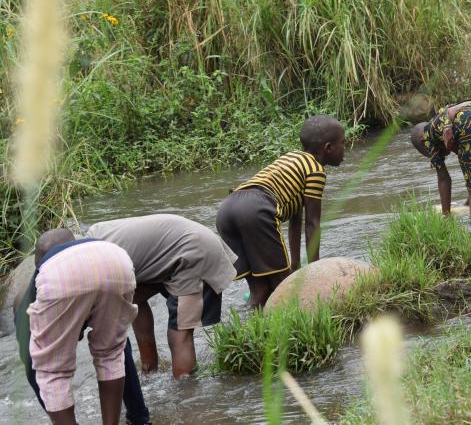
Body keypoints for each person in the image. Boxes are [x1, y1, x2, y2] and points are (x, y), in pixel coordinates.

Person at [217, 115, 346, 309]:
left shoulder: (293, 158)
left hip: (227, 209)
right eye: (343, 143)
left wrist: (295, 265)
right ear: (328, 148)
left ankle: (247, 329)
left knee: (260, 292)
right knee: (285, 290)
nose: (345, 149)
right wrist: (315, 273)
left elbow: (296, 219)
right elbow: (312, 223)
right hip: (256, 208)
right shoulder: (316, 170)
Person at [86, 214, 237, 379]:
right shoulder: (96, 237)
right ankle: (150, 371)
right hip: (179, 246)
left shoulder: (98, 265)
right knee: (135, 299)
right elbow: (134, 303)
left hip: (193, 252)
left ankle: (186, 393)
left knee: (179, 332)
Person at [16, 229, 138, 425]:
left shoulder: (38, 280)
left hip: (61, 278)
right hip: (116, 259)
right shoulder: (92, 245)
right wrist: (140, 416)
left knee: (52, 372)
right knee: (111, 353)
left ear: (38, 262)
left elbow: (31, 364)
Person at [410, 98, 471, 223]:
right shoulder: (443, 120)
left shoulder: (428, 135)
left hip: (469, 120)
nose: (430, 155)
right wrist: (465, 204)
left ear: (422, 142)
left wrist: (446, 215)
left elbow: (444, 179)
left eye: (424, 152)